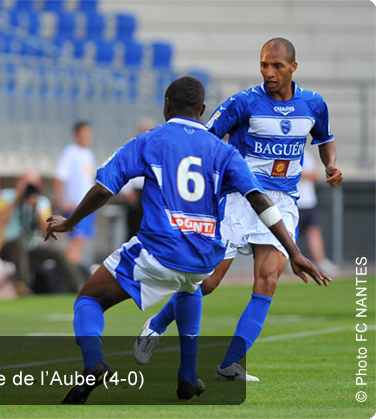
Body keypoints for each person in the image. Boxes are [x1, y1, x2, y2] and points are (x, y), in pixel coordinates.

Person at [45, 76, 329, 405]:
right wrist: (294, 251)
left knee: (89, 299)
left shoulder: (150, 140)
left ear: (166, 105)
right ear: (203, 109)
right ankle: (187, 377)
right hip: (201, 256)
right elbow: (259, 199)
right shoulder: (223, 151)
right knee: (190, 285)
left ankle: (94, 364)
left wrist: (70, 222)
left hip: (158, 249)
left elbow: (104, 188)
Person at [138, 38, 343, 382]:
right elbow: (206, 138)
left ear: (293, 67)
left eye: (277, 66)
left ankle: (230, 364)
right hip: (239, 199)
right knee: (207, 282)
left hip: (283, 201)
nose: (269, 72)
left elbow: (324, 138)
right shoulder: (243, 102)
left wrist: (330, 165)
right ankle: (155, 327)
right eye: (264, 65)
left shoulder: (313, 104)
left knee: (268, 281)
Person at [0, 170, 83, 295]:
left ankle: (78, 286)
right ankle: (22, 286)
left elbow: (46, 228)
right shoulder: (6, 196)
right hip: (5, 246)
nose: (29, 186)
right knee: (19, 243)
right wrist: (17, 200)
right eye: (27, 183)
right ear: (19, 182)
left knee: (57, 252)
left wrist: (35, 207)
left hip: (30, 246)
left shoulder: (41, 202)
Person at [54, 121, 96, 268]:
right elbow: (59, 177)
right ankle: (68, 271)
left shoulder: (88, 154)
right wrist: (61, 200)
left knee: (81, 239)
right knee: (77, 238)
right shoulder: (70, 152)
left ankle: (74, 270)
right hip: (76, 204)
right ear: (76, 135)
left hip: (88, 204)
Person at [297, 150, 339, 276]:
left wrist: (299, 174)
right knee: (291, 234)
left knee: (314, 231)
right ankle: (290, 260)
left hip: (309, 202)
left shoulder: (306, 155)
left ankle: (321, 261)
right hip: (294, 202)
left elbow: (314, 175)